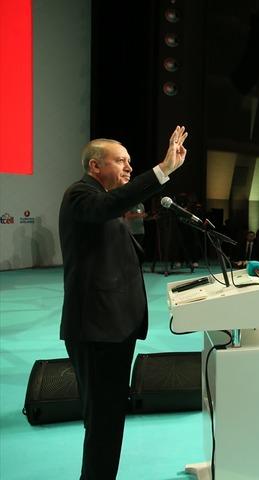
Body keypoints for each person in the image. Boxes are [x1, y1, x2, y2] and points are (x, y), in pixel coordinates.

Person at [59, 126, 188, 479]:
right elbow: (109, 205)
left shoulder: (105, 203)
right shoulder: (80, 195)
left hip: (113, 331)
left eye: (130, 161)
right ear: (95, 166)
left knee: (109, 421)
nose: (129, 167)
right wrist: (162, 170)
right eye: (121, 161)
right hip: (97, 332)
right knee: (103, 423)